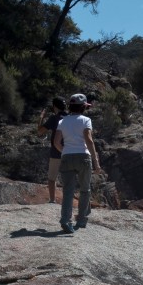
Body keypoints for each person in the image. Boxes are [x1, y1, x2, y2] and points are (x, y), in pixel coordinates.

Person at [53, 92, 100, 233]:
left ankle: (65, 220)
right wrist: (96, 161)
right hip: (83, 157)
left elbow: (56, 142)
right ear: (83, 107)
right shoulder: (86, 120)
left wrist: (65, 151)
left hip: (67, 157)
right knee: (85, 189)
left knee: (68, 191)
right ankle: (81, 219)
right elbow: (89, 140)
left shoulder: (62, 121)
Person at [36, 96, 67, 203]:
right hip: (69, 151)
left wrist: (41, 117)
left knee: (52, 178)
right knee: (69, 178)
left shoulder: (54, 118)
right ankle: (67, 200)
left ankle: (52, 200)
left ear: (54, 106)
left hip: (56, 152)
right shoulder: (70, 118)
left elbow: (40, 132)